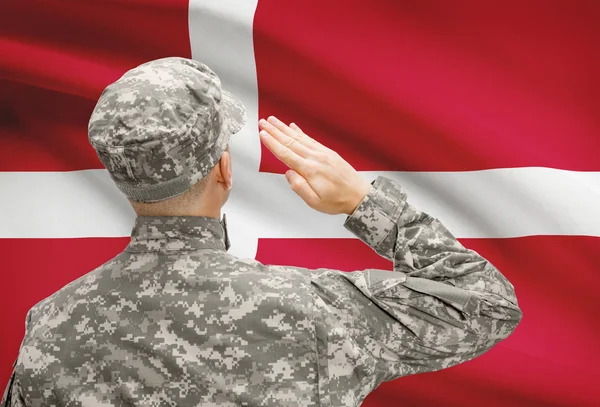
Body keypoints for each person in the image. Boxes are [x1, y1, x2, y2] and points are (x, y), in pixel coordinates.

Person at [1, 57, 522, 407]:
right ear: (224, 169)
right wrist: (367, 204)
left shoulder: (50, 325)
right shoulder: (316, 310)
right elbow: (488, 304)